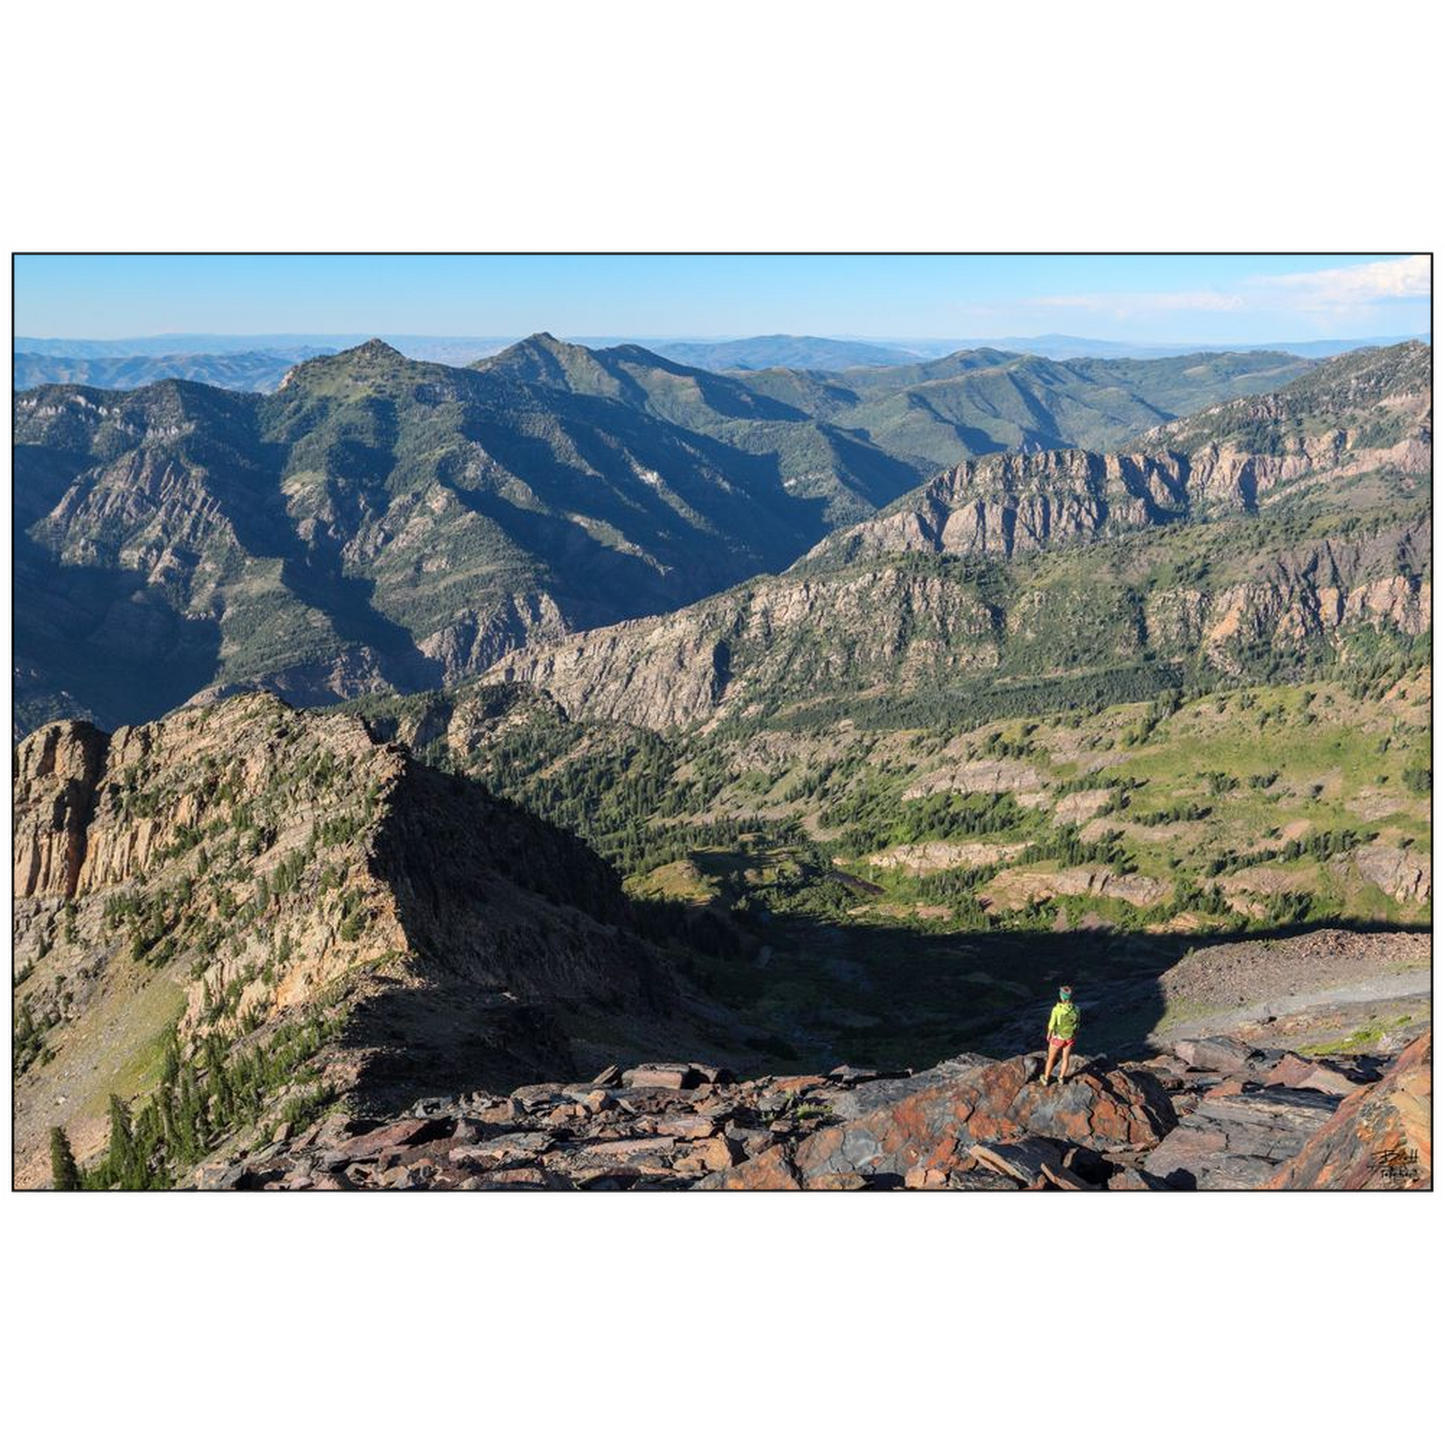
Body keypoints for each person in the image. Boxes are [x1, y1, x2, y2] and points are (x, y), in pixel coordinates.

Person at [1041, 985, 1079, 1085]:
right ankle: (1061, 1078)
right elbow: (1077, 1023)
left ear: (1062, 996)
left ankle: (1046, 1078)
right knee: (1065, 1058)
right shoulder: (1076, 1009)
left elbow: (1052, 1023)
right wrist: (1074, 1035)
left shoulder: (1057, 1009)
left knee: (1051, 1058)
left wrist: (1049, 1034)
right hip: (1070, 1037)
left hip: (1058, 1037)